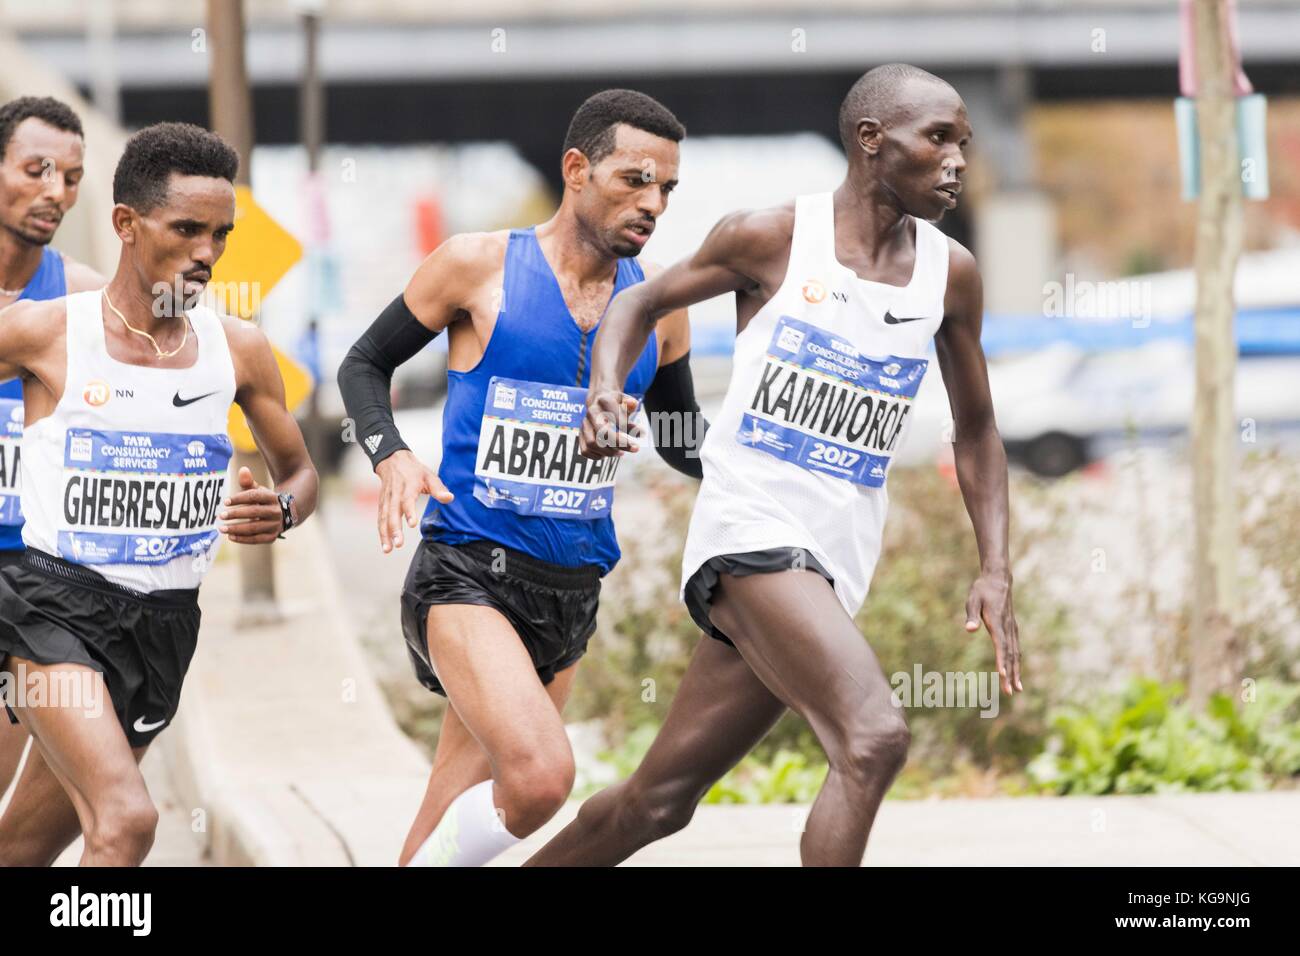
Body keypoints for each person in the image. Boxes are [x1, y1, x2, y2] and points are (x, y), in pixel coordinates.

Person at [527, 64, 1022, 867]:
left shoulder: (949, 275)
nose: (958, 160)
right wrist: (607, 389)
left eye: (963, 143)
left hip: (831, 565)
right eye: (938, 139)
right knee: (873, 739)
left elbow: (978, 431)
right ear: (871, 141)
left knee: (658, 804)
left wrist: (995, 566)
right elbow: (639, 303)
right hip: (750, 535)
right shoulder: (774, 238)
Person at [338, 89, 707, 867]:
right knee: (540, 779)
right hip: (469, 573)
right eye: (634, 180)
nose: (654, 203)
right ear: (576, 169)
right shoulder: (479, 265)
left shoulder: (659, 305)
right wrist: (392, 452)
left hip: (570, 590)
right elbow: (364, 363)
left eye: (667, 188)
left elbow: (682, 440)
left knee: (449, 813)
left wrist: (773, 451)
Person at [0, 122, 318, 866]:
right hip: (54, 610)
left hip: (163, 627)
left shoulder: (237, 349)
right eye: (186, 230)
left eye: (220, 235)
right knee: (127, 820)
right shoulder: (48, 331)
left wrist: (282, 510)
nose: (206, 254)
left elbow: (297, 471)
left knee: (21, 847)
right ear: (126, 225)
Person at [0, 96, 107, 804]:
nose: (55, 192)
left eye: (70, 177)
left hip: (25, 583)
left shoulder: (83, 300)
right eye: (36, 170)